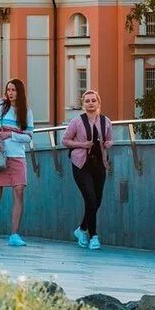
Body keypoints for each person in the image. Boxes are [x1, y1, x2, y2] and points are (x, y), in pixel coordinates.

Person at [0, 79, 34, 247]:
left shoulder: (25, 111)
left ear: (19, 92)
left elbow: (28, 136)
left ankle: (14, 234)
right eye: (8, 89)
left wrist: (11, 135)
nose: (10, 92)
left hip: (17, 156)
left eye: (13, 90)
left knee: (19, 192)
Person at [62, 90, 114, 250]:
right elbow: (65, 140)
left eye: (93, 100)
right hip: (81, 164)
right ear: (83, 104)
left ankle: (82, 229)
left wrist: (108, 144)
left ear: (98, 103)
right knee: (90, 199)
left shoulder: (106, 121)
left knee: (97, 201)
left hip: (99, 163)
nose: (90, 103)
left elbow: (110, 139)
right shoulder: (77, 122)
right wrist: (81, 145)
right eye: (87, 101)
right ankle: (94, 236)